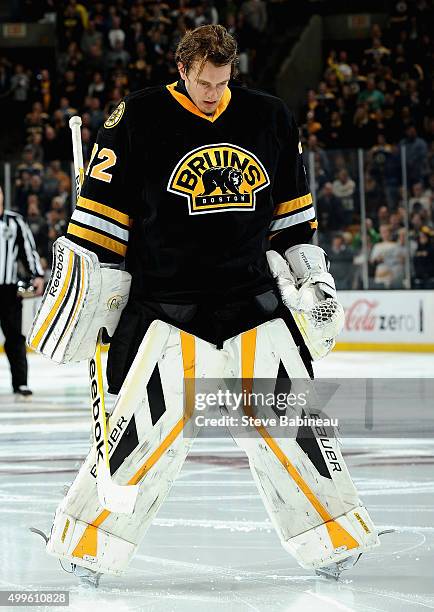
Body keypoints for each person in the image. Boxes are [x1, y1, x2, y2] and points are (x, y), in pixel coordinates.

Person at [30, 25, 379, 585]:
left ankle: (335, 538)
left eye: (222, 82)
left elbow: (293, 219)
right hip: (165, 307)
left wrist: (313, 281)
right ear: (182, 70)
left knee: (293, 431)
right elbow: (97, 228)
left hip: (251, 300)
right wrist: (86, 293)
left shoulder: (269, 117)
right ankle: (87, 545)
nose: (212, 93)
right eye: (202, 82)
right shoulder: (135, 119)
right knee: (141, 439)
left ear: (231, 72)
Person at [0, 185, 44, 396]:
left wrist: (38, 275)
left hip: (8, 289)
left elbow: (28, 250)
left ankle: (20, 383)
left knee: (15, 337)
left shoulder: (15, 221)